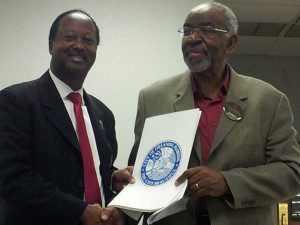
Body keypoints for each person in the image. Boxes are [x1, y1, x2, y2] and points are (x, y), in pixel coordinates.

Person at [128, 2, 300, 225]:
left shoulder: (268, 100)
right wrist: (123, 182)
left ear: (231, 43)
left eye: (207, 30)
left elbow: (291, 172)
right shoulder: (152, 98)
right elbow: (140, 173)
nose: (193, 38)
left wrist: (227, 183)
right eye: (187, 30)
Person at [0, 9, 134, 225]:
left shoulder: (103, 114)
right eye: (70, 37)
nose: (79, 46)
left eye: (88, 40)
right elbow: (12, 178)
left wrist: (111, 177)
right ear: (51, 45)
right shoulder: (15, 101)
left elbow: (86, 168)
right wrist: (79, 211)